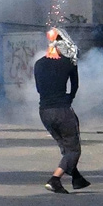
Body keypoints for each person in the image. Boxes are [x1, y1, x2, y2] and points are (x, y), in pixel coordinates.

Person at [34, 27, 90, 194]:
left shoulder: (39, 63)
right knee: (73, 150)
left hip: (44, 112)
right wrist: (68, 99)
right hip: (62, 111)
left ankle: (77, 178)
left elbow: (39, 89)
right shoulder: (69, 62)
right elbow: (75, 86)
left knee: (65, 147)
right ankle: (55, 180)